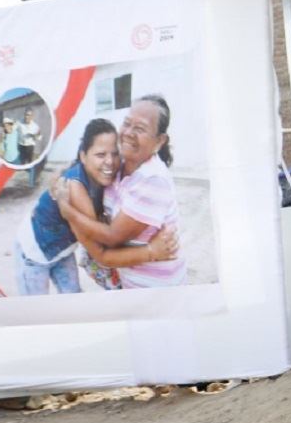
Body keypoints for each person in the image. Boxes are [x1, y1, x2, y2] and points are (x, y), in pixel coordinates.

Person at [11, 118, 177, 294]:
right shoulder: (74, 188)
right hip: (33, 252)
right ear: (83, 156)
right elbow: (102, 248)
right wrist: (151, 251)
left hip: (63, 249)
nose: (110, 162)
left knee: (73, 296)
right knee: (36, 309)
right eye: (100, 155)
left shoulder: (105, 173)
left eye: (114, 154)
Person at [57, 95, 187, 289]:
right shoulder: (120, 166)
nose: (128, 133)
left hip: (156, 290)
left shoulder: (152, 180)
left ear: (160, 140)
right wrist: (61, 175)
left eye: (140, 128)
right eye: (127, 123)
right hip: (128, 282)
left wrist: (69, 213)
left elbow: (112, 236)